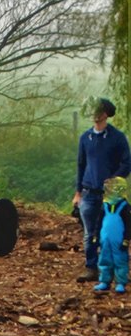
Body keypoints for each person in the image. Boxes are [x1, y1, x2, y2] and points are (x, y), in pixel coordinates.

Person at [74, 98, 131, 282]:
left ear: (105, 114)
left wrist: (114, 178)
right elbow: (81, 165)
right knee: (90, 233)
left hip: (111, 194)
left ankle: (117, 268)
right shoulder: (85, 138)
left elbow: (127, 162)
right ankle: (92, 267)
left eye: (98, 110)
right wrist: (77, 192)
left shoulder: (117, 137)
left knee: (113, 232)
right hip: (89, 192)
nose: (94, 114)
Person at [95, 177, 131, 294]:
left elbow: (128, 224)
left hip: (119, 240)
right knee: (104, 259)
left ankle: (120, 282)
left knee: (120, 260)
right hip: (105, 238)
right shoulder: (104, 205)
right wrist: (96, 236)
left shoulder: (125, 206)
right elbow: (99, 222)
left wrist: (126, 239)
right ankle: (104, 281)